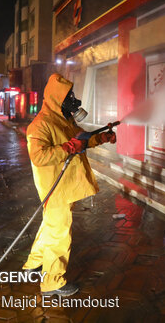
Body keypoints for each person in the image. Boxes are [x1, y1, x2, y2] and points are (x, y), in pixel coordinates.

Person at [23, 73, 116, 297]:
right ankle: (52, 282)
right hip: (54, 187)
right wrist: (68, 148)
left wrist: (100, 138)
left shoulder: (63, 120)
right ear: (56, 98)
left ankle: (33, 264)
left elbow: (79, 140)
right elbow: (39, 157)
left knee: (50, 226)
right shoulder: (40, 125)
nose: (73, 101)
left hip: (63, 185)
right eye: (68, 97)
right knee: (59, 233)